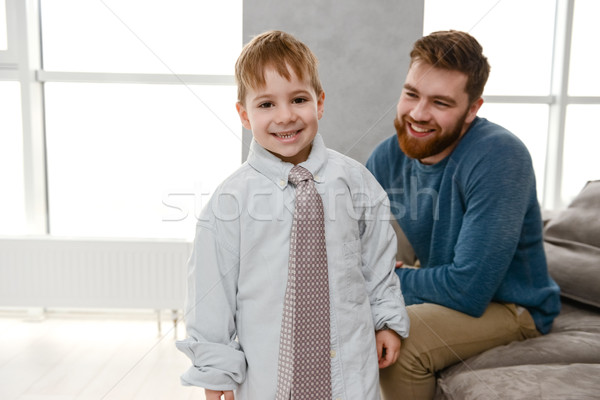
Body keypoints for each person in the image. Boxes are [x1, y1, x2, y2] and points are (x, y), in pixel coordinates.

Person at [176, 30, 410, 400]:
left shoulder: (355, 182)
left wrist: (387, 321)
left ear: (319, 103)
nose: (285, 116)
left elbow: (378, 264)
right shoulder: (230, 201)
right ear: (244, 114)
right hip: (269, 375)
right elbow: (211, 293)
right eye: (266, 104)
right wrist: (217, 369)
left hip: (349, 368)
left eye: (298, 99)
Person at [366, 30, 561, 399]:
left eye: (440, 103)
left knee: (403, 340)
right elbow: (352, 251)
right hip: (439, 285)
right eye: (411, 94)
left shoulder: (500, 156)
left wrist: (389, 279)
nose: (418, 114)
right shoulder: (387, 156)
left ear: (472, 109)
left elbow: (467, 289)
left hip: (512, 306)